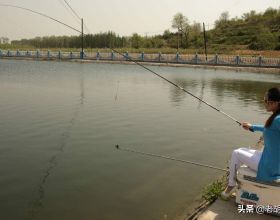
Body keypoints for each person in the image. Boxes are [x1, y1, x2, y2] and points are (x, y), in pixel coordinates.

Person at [221, 87, 280, 200]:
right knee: (242, 150)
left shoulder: (278, 119)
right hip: (272, 161)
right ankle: (233, 181)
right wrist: (251, 127)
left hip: (269, 167)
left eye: (266, 100)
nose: (264, 103)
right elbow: (268, 128)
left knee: (236, 153)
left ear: (275, 102)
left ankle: (231, 185)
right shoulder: (276, 118)